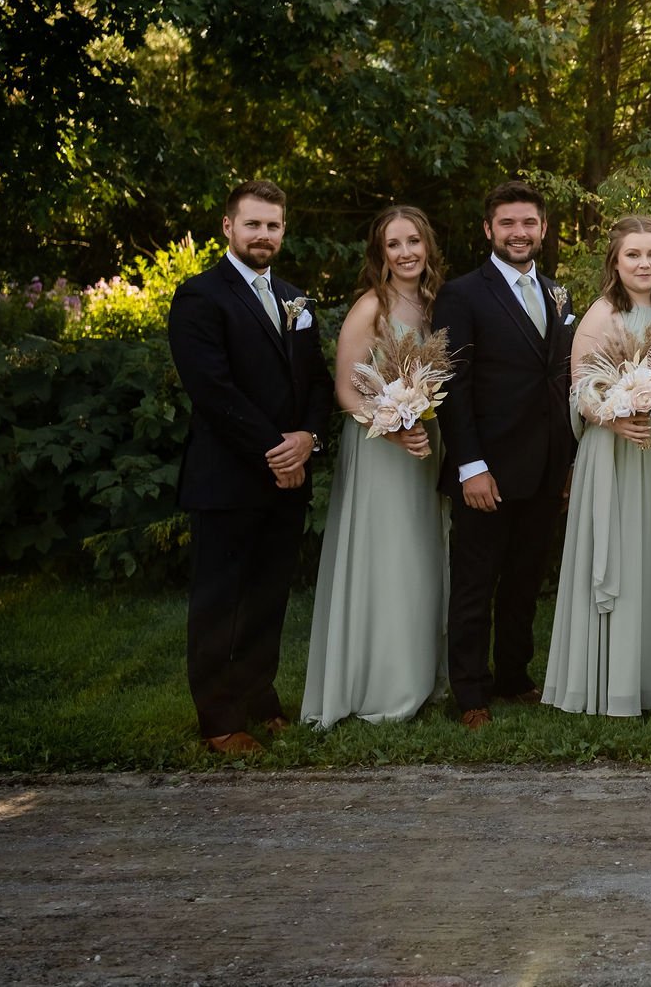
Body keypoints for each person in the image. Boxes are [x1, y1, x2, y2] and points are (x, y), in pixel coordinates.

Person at [167, 180, 332, 755]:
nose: (264, 235)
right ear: (228, 227)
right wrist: (276, 450)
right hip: (228, 477)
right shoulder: (199, 297)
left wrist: (308, 437)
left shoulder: (295, 299)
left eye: (274, 226)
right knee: (220, 601)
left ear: (284, 230)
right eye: (253, 224)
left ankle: (260, 699)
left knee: (268, 596)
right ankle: (219, 721)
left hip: (289, 474)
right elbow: (213, 390)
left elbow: (316, 381)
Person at [543, 215, 651, 716]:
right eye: (633, 254)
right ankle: (613, 685)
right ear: (615, 261)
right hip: (615, 452)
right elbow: (580, 389)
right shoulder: (600, 316)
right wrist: (611, 418)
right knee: (626, 557)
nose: (644, 263)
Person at [433, 181, 578, 730]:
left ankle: (513, 677)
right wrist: (470, 464)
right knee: (476, 582)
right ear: (488, 230)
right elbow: (453, 382)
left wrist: (565, 464)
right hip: (486, 468)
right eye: (508, 223)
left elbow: (561, 381)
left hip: (544, 467)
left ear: (542, 229)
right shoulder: (462, 294)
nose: (519, 232)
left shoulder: (559, 294)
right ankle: (470, 693)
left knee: (523, 581)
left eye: (529, 223)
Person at [301, 205, 450, 728]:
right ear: (380, 253)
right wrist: (392, 423)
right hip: (379, 444)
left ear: (427, 245)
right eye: (394, 244)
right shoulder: (372, 308)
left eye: (414, 241)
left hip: (424, 443)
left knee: (422, 557)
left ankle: (420, 677)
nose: (406, 252)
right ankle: (379, 685)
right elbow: (345, 389)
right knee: (386, 558)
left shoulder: (434, 304)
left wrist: (418, 423)